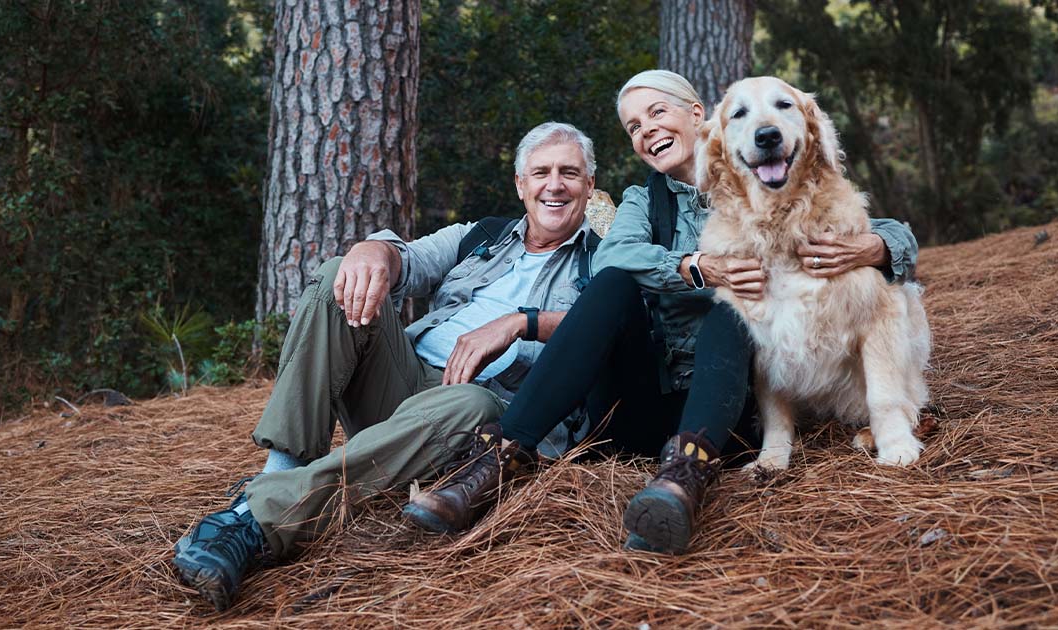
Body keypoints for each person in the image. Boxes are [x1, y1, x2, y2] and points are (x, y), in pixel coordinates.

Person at [404, 70, 919, 554]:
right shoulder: (642, 201)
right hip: (640, 397)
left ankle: (682, 481)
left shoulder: (759, 184)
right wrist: (699, 267)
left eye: (656, 113)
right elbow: (614, 255)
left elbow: (860, 219)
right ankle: (495, 462)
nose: (647, 130)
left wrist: (875, 246)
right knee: (614, 284)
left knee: (732, 307)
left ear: (700, 117)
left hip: (724, 409)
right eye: (634, 126)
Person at [172, 122, 602, 611]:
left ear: (590, 185)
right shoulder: (483, 237)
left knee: (471, 400)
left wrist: (521, 322)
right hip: (403, 382)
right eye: (540, 172)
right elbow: (408, 259)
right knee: (340, 274)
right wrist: (373, 251)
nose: (555, 184)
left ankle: (254, 519)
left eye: (570, 173)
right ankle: (279, 470)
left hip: (484, 417)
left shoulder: (603, 260)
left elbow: (613, 329)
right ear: (520, 185)